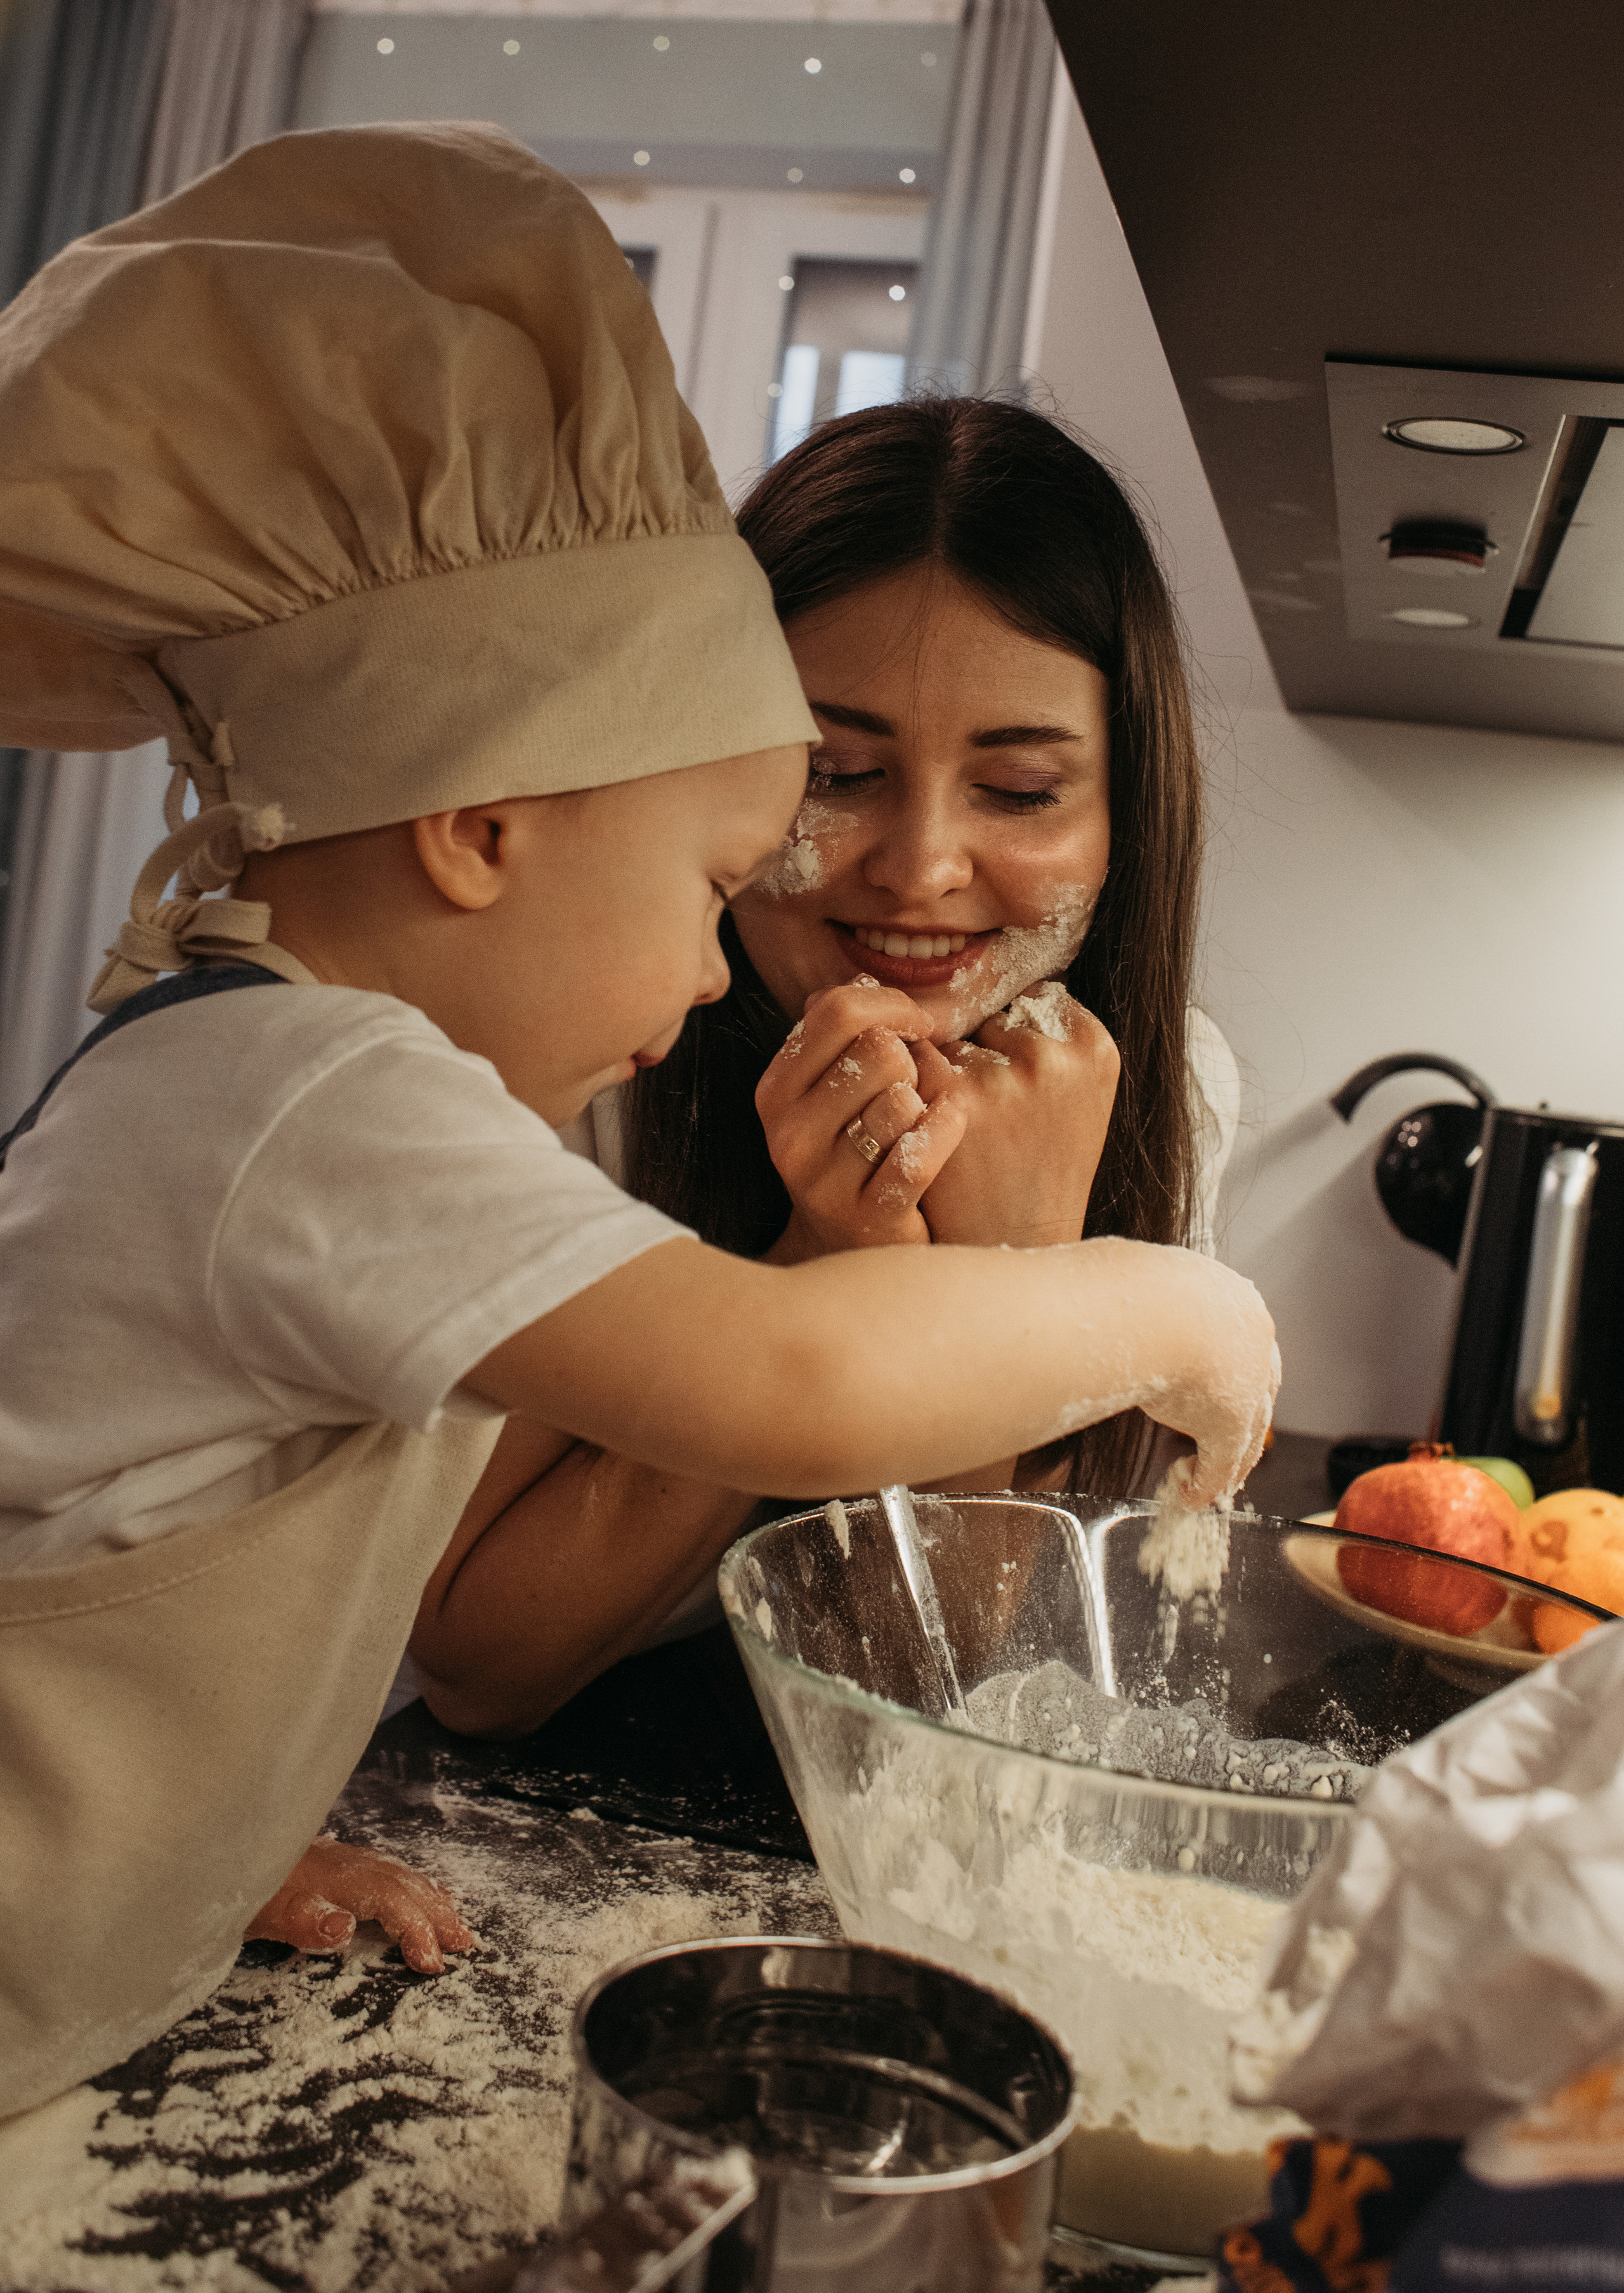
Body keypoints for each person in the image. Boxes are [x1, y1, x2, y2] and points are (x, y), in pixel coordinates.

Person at [0, 124, 1278, 2119]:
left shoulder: (298, 1066)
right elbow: (772, 1387)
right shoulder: (350, 1095)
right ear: (486, 828)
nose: (904, 873)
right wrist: (1155, 1296)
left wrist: (191, 1849)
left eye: (1020, 788)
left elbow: (162, 1566)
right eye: (737, 854)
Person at [405, 399, 1239, 1735]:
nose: (918, 868)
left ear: (1124, 811)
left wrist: (1010, 1277)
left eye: (1018, 790)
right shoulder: (580, 1051)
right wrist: (816, 1257)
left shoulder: (1158, 1084)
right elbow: (477, 1671)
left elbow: (920, 1692)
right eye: (835, 770)